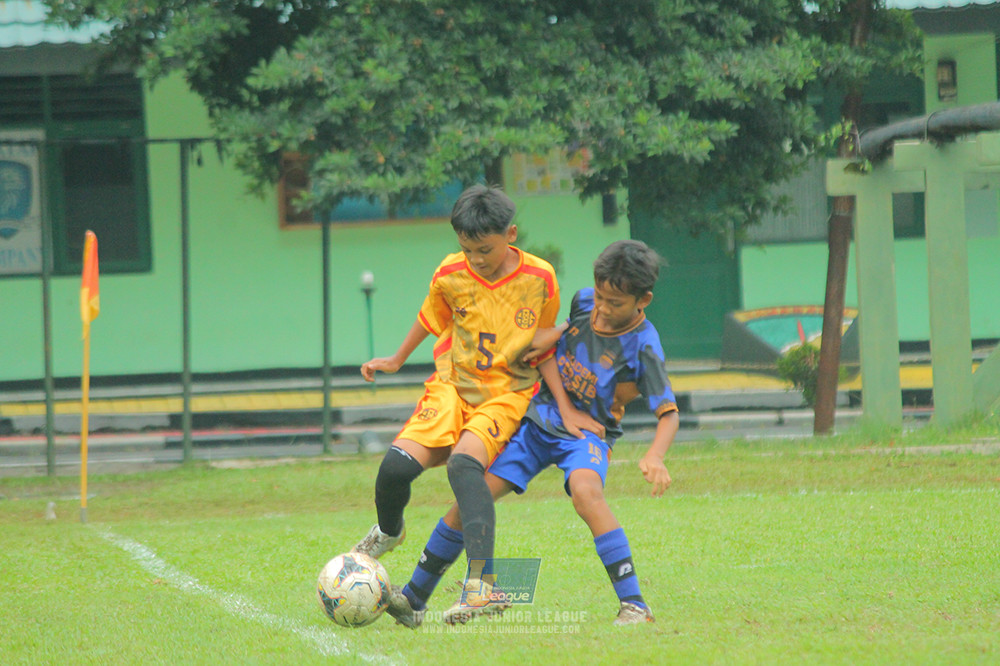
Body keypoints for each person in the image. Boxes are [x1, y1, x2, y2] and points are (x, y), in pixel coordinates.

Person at [388, 239, 679, 628]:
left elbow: (669, 413)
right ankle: (414, 599)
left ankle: (634, 604)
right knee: (473, 497)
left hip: (587, 435)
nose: (604, 310)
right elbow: (547, 347)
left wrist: (655, 456)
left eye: (617, 304)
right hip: (539, 421)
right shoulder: (583, 302)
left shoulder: (645, 346)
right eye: (602, 297)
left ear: (644, 299)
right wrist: (558, 344)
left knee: (586, 493)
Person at [352, 184, 560, 610]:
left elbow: (545, 340)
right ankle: (389, 532)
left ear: (511, 234)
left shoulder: (540, 278)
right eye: (468, 250)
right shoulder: (450, 273)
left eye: (485, 249)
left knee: (465, 465)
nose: (477, 259)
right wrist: (395, 359)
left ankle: (481, 584)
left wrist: (563, 403)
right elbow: (430, 318)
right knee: (394, 469)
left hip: (506, 394)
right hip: (452, 386)